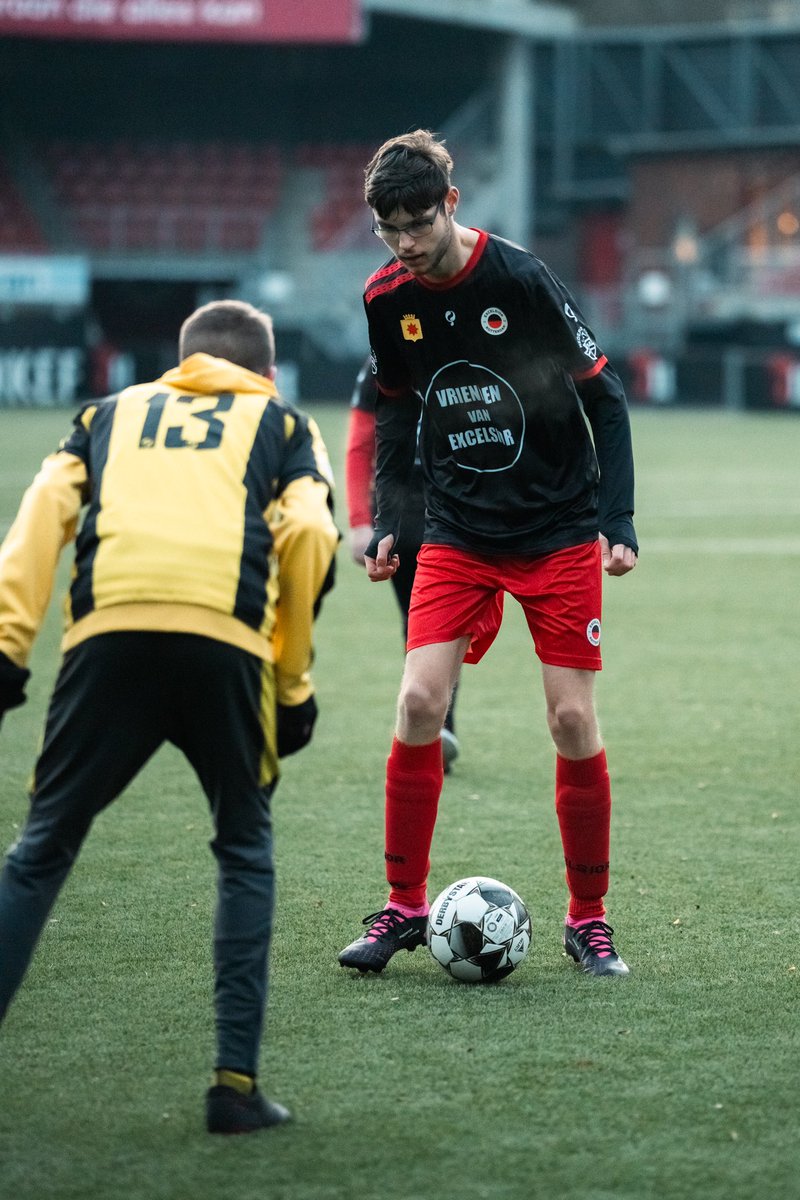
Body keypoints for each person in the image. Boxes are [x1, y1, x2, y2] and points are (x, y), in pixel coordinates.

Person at [0, 299, 339, 1133]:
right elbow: (310, 534)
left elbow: (42, 511)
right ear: (265, 371)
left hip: (107, 637)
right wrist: (292, 683)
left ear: (180, 363)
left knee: (40, 851)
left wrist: (8, 647)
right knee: (243, 849)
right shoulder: (285, 424)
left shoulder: (106, 414)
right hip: (226, 645)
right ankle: (233, 1085)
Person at [338, 130, 638, 979]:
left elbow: (603, 397)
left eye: (418, 222)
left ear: (451, 205)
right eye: (389, 227)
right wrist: (394, 517)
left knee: (572, 720)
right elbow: (396, 411)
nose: (406, 242)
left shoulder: (520, 278)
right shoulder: (385, 296)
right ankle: (402, 908)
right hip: (459, 530)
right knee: (418, 704)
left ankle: (590, 920)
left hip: (557, 528)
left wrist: (618, 520)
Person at [345, 355, 460, 771]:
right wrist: (360, 522)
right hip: (401, 510)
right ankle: (438, 723)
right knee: (420, 617)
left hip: (458, 501)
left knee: (442, 615)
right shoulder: (380, 362)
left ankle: (438, 722)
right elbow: (361, 441)